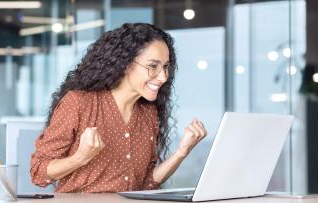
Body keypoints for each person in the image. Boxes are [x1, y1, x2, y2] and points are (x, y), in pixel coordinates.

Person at [30, 23, 207, 193]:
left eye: (166, 67)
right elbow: (39, 172)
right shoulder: (79, 103)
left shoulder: (148, 113)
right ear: (125, 64)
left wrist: (181, 153)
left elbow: (146, 183)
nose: (163, 77)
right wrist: (80, 157)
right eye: (153, 66)